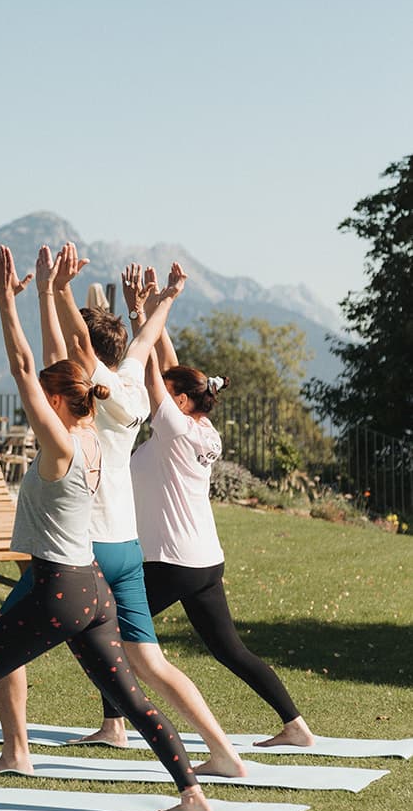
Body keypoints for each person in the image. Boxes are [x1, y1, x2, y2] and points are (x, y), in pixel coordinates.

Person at [0, 246, 213, 811]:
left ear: (53, 401)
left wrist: (5, 301)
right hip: (93, 588)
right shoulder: (100, 435)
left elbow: (25, 366)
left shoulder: (61, 444)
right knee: (131, 698)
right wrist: (61, 297)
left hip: (61, 586)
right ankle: (192, 794)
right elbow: (102, 354)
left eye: (42, 396)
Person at [0, 246, 245, 779]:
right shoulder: (132, 387)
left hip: (85, 546)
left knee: (6, 643)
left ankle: (16, 752)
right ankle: (223, 752)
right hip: (127, 546)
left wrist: (54, 293)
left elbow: (65, 347)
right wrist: (162, 299)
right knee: (149, 662)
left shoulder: (91, 395)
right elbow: (143, 340)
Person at [133, 275, 314, 749]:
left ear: (182, 402)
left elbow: (154, 370)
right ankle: (295, 725)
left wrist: (144, 315)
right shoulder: (201, 427)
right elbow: (170, 368)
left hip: (173, 562)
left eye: (171, 393)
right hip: (204, 560)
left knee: (108, 629)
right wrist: (155, 309)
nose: (161, 396)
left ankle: (115, 726)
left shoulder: (174, 427)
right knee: (229, 650)